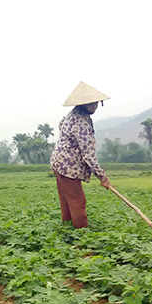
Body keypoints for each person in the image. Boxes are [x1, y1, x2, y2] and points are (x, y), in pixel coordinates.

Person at [50, 81, 112, 228]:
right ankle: (82, 239)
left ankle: (68, 230)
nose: (94, 106)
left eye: (96, 103)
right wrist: (102, 177)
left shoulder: (69, 117)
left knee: (67, 200)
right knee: (78, 201)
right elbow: (88, 155)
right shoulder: (81, 123)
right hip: (68, 167)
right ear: (81, 104)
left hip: (58, 163)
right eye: (90, 103)